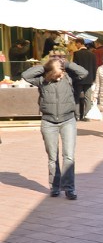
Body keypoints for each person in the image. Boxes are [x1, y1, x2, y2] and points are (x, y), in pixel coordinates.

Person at [22, 50, 88, 200]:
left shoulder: (69, 78)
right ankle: (55, 186)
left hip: (68, 120)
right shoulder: (42, 81)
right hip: (48, 122)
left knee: (69, 156)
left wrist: (66, 64)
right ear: (51, 73)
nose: (61, 75)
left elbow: (84, 73)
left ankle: (69, 188)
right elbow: (26, 75)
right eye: (58, 73)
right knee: (53, 157)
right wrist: (46, 66)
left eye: (62, 72)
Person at [72, 38, 97, 121]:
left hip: (79, 79)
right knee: (87, 98)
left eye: (76, 44)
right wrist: (93, 79)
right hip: (89, 79)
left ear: (79, 44)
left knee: (77, 97)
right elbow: (94, 68)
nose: (75, 45)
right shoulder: (92, 54)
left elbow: (74, 67)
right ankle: (87, 115)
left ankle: (77, 115)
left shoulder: (76, 54)